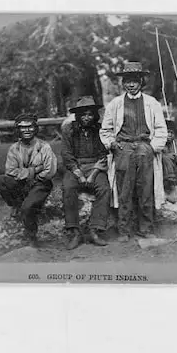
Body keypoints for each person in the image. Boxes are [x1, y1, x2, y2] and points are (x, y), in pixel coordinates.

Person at [99, 62, 168, 242]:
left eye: (135, 81)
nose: (131, 85)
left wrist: (152, 147)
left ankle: (146, 229)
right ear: (123, 83)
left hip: (145, 148)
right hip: (124, 148)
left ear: (141, 82)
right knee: (125, 191)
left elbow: (161, 129)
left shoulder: (152, 103)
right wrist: (112, 144)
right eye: (127, 81)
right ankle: (124, 230)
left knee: (146, 190)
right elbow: (105, 130)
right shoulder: (115, 104)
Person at [0, 113, 58, 247]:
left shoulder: (44, 147)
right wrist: (34, 170)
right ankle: (16, 204)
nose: (27, 130)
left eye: (30, 127)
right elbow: (10, 171)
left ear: (35, 128)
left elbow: (49, 171)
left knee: (27, 207)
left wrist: (29, 174)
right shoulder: (14, 149)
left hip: (40, 183)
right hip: (22, 183)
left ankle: (31, 236)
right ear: (18, 130)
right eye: (23, 128)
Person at [61, 96, 111, 249]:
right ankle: (75, 231)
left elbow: (104, 154)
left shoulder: (100, 130)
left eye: (90, 114)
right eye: (83, 114)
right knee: (68, 188)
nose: (87, 118)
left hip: (95, 165)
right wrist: (80, 175)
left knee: (104, 189)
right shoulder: (69, 130)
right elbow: (67, 155)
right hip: (76, 166)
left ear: (95, 115)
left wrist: (92, 175)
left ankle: (94, 230)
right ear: (78, 115)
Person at [160, 118, 177, 204]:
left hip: (175, 172)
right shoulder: (160, 143)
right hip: (162, 171)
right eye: (167, 132)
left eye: (171, 133)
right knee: (165, 158)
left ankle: (172, 187)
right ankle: (168, 188)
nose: (169, 135)